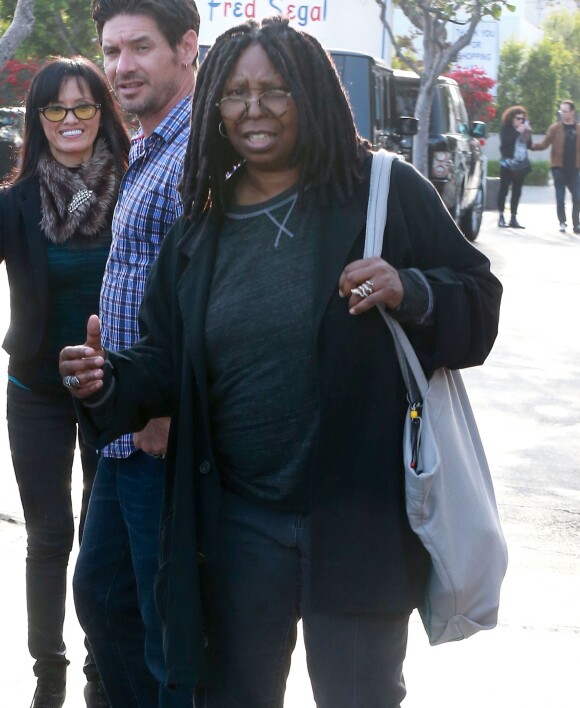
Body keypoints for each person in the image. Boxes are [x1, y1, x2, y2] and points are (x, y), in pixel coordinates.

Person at [60, 17, 502, 708]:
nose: (254, 108)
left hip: (356, 525)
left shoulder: (382, 190)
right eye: (235, 92)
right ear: (215, 107)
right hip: (237, 528)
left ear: (313, 94)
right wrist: (107, 380)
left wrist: (412, 290)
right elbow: (162, 361)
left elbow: (479, 302)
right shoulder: (198, 231)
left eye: (276, 89)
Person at [70, 0, 199, 705]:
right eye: (111, 50)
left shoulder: (197, 154)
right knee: (103, 597)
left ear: (186, 47)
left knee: (165, 630)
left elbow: (207, 303)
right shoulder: (149, 144)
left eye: (139, 48)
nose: (120, 67)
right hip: (123, 428)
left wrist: (165, 410)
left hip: (159, 435)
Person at [0, 57, 129, 708]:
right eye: (56, 109)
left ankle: (102, 668)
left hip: (117, 391)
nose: (71, 121)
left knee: (106, 534)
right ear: (39, 120)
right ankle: (47, 670)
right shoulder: (16, 202)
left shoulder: (135, 189)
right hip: (36, 395)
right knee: (49, 534)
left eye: (84, 107)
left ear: (103, 113)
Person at [531, 100, 580, 233]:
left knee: (577, 196)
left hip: (575, 168)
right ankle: (562, 222)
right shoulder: (555, 128)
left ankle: (576, 224)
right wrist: (532, 146)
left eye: (565, 111)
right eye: (561, 111)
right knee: (560, 196)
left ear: (572, 112)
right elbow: (545, 143)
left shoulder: (578, 128)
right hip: (558, 168)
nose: (563, 114)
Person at [497, 105, 532, 229]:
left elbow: (529, 146)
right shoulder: (506, 128)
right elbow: (505, 143)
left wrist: (527, 132)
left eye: (523, 119)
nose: (520, 121)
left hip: (520, 166)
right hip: (507, 165)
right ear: (511, 118)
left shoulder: (523, 130)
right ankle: (501, 216)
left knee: (517, 192)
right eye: (518, 118)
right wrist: (517, 132)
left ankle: (513, 218)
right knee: (504, 191)